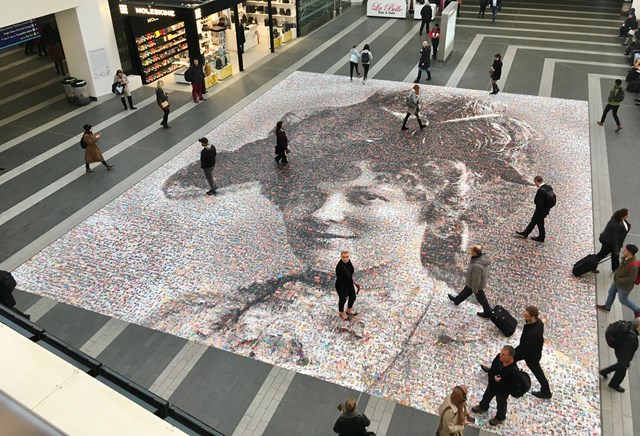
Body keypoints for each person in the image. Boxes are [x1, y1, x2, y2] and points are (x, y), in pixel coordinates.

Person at [157, 91, 536, 388]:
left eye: (365, 196)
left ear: (432, 206)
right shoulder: (203, 313)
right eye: (311, 194)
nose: (323, 215)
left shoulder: (454, 345)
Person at [481, 306, 551, 399]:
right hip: (531, 352)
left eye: (526, 316)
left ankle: (495, 372)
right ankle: (546, 391)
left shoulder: (533, 333)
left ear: (533, 317)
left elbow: (526, 346)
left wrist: (515, 353)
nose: (524, 318)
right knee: (536, 371)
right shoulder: (538, 323)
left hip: (528, 352)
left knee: (505, 358)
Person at [472, 346, 519, 426]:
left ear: (510, 357)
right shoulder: (498, 358)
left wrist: (500, 381)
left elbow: (511, 386)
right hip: (492, 385)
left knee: (501, 404)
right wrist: (493, 377)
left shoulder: (514, 371)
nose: (500, 355)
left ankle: (500, 417)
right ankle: (483, 407)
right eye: (501, 353)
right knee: (486, 396)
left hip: (502, 391)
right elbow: (493, 367)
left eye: (503, 355)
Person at [448, 245, 493, 318]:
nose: (470, 252)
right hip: (473, 283)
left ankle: (488, 311)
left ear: (475, 253)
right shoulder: (482, 258)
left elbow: (476, 279)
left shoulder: (476, 266)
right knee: (465, 292)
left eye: (472, 251)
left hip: (475, 285)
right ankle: (456, 300)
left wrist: (475, 289)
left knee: (481, 298)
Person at [596, 244, 640, 317]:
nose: (623, 250)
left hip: (624, 286)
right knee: (611, 292)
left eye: (625, 250)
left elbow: (631, 279)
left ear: (629, 253)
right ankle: (607, 307)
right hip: (617, 280)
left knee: (623, 300)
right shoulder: (626, 258)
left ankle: (637, 310)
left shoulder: (634, 266)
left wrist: (619, 279)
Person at [600, 317, 640, 393]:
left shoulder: (631, 326)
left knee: (620, 365)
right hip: (621, 352)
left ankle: (604, 372)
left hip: (619, 347)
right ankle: (614, 384)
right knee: (622, 371)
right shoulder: (631, 337)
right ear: (638, 326)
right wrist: (626, 363)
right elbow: (626, 351)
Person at [515, 175, 552, 242]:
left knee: (540, 223)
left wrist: (538, 212)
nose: (535, 185)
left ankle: (541, 237)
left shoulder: (541, 190)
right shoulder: (548, 187)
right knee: (533, 221)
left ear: (537, 181)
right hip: (546, 209)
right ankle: (526, 232)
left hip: (540, 211)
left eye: (535, 183)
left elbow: (539, 202)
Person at [595, 208, 631, 273]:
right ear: (624, 215)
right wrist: (616, 249)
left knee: (610, 255)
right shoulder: (617, 225)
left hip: (607, 240)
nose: (628, 215)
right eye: (627, 214)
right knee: (604, 254)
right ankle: (592, 264)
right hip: (609, 243)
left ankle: (615, 269)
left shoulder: (616, 218)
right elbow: (614, 238)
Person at [335, 250, 361, 320]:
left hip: (349, 282)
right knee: (343, 299)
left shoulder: (349, 262)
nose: (345, 259)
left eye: (347, 257)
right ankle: (341, 312)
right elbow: (340, 281)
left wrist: (354, 283)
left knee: (353, 297)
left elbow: (350, 274)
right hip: (341, 285)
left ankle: (348, 310)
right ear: (341, 257)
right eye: (343, 257)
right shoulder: (339, 267)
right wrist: (345, 292)